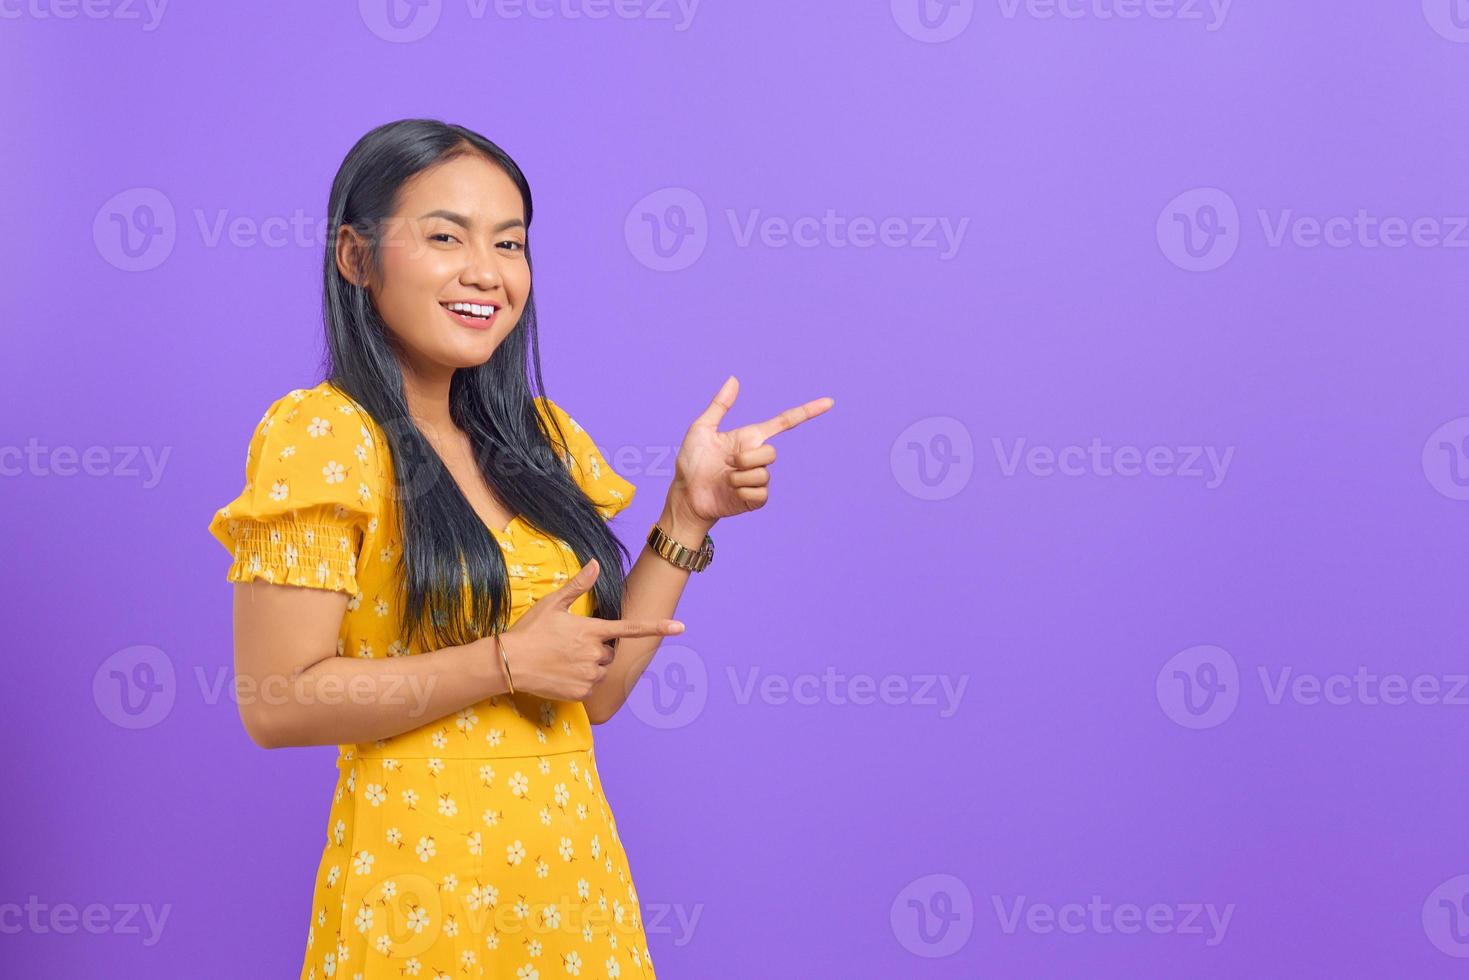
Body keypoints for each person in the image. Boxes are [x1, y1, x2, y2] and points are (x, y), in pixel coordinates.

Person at [207, 117, 834, 979]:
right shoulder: (324, 436)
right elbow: (276, 702)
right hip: (416, 903)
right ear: (355, 258)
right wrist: (502, 660)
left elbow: (596, 691)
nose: (486, 272)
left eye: (509, 243)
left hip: (573, 891)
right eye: (443, 237)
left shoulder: (536, 441)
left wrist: (687, 517)